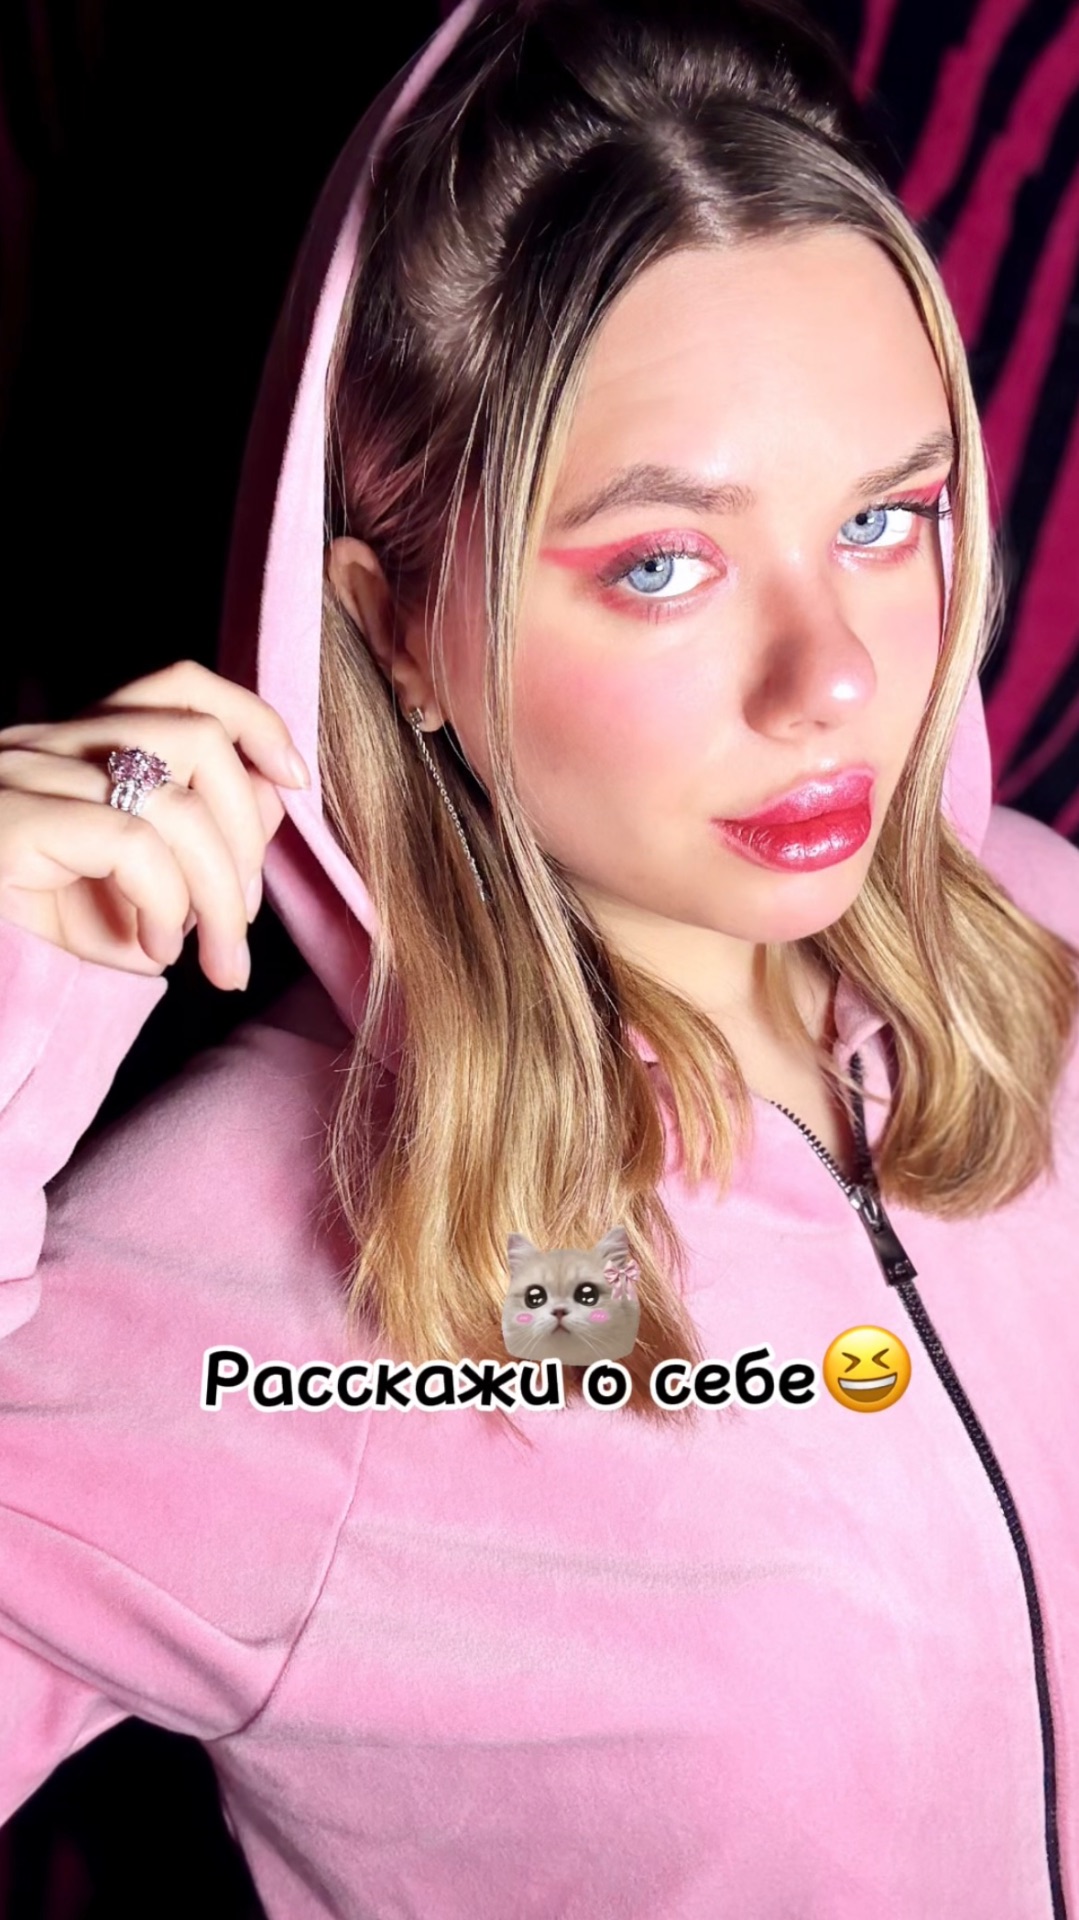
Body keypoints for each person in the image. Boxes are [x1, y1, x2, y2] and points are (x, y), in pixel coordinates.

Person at [1, 0, 1077, 1912]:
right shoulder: (255, 1263)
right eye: (663, 562)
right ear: (396, 625)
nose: (834, 679)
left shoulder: (1050, 936)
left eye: (886, 519)